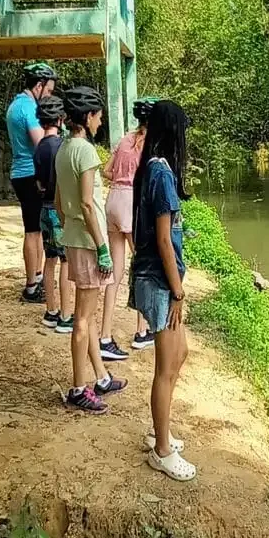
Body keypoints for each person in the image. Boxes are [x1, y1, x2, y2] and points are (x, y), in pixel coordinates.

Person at [133, 100, 196, 481]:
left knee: (180, 353)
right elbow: (162, 239)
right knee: (165, 368)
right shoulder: (161, 174)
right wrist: (177, 291)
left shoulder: (157, 169)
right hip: (160, 281)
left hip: (160, 279)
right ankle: (161, 450)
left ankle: (162, 430)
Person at [55, 85, 127, 414]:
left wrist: (69, 228)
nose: (100, 123)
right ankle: (78, 388)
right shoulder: (84, 151)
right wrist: (101, 247)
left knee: (89, 315)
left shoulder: (63, 148)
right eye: (98, 117)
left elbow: (58, 202)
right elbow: (86, 202)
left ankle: (100, 377)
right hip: (87, 241)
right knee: (83, 320)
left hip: (74, 237)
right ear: (88, 117)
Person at [101, 96, 158, 355]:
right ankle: (141, 331)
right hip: (131, 203)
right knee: (143, 265)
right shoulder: (151, 144)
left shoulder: (124, 139)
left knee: (115, 270)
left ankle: (104, 334)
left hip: (113, 200)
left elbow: (107, 171)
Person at [6, 62, 57, 303]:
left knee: (34, 229)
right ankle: (31, 285)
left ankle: (36, 278)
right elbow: (41, 143)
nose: (49, 96)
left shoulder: (15, 104)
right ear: (38, 86)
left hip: (20, 172)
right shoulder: (28, 108)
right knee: (34, 231)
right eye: (48, 91)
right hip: (30, 175)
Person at [31, 95, 74, 333]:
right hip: (59, 210)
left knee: (49, 260)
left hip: (43, 209)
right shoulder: (61, 147)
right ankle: (67, 315)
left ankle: (51, 310)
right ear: (60, 119)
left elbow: (38, 183)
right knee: (66, 261)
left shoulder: (39, 148)